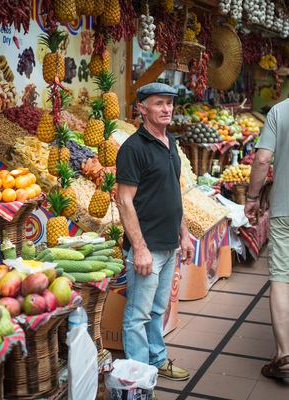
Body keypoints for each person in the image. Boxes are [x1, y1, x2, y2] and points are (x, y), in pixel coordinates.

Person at [116, 82, 195, 381]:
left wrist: (184, 234)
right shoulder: (133, 149)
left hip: (168, 244)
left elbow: (173, 192)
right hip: (147, 247)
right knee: (138, 314)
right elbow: (124, 200)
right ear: (142, 108)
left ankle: (157, 360)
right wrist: (139, 247)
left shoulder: (170, 142)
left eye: (170, 103)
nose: (167, 109)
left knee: (157, 308)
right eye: (159, 103)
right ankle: (138, 376)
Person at [244, 99, 289, 379]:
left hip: (284, 210)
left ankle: (285, 355)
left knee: (282, 278)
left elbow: (262, 159)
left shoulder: (280, 111)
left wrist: (251, 198)